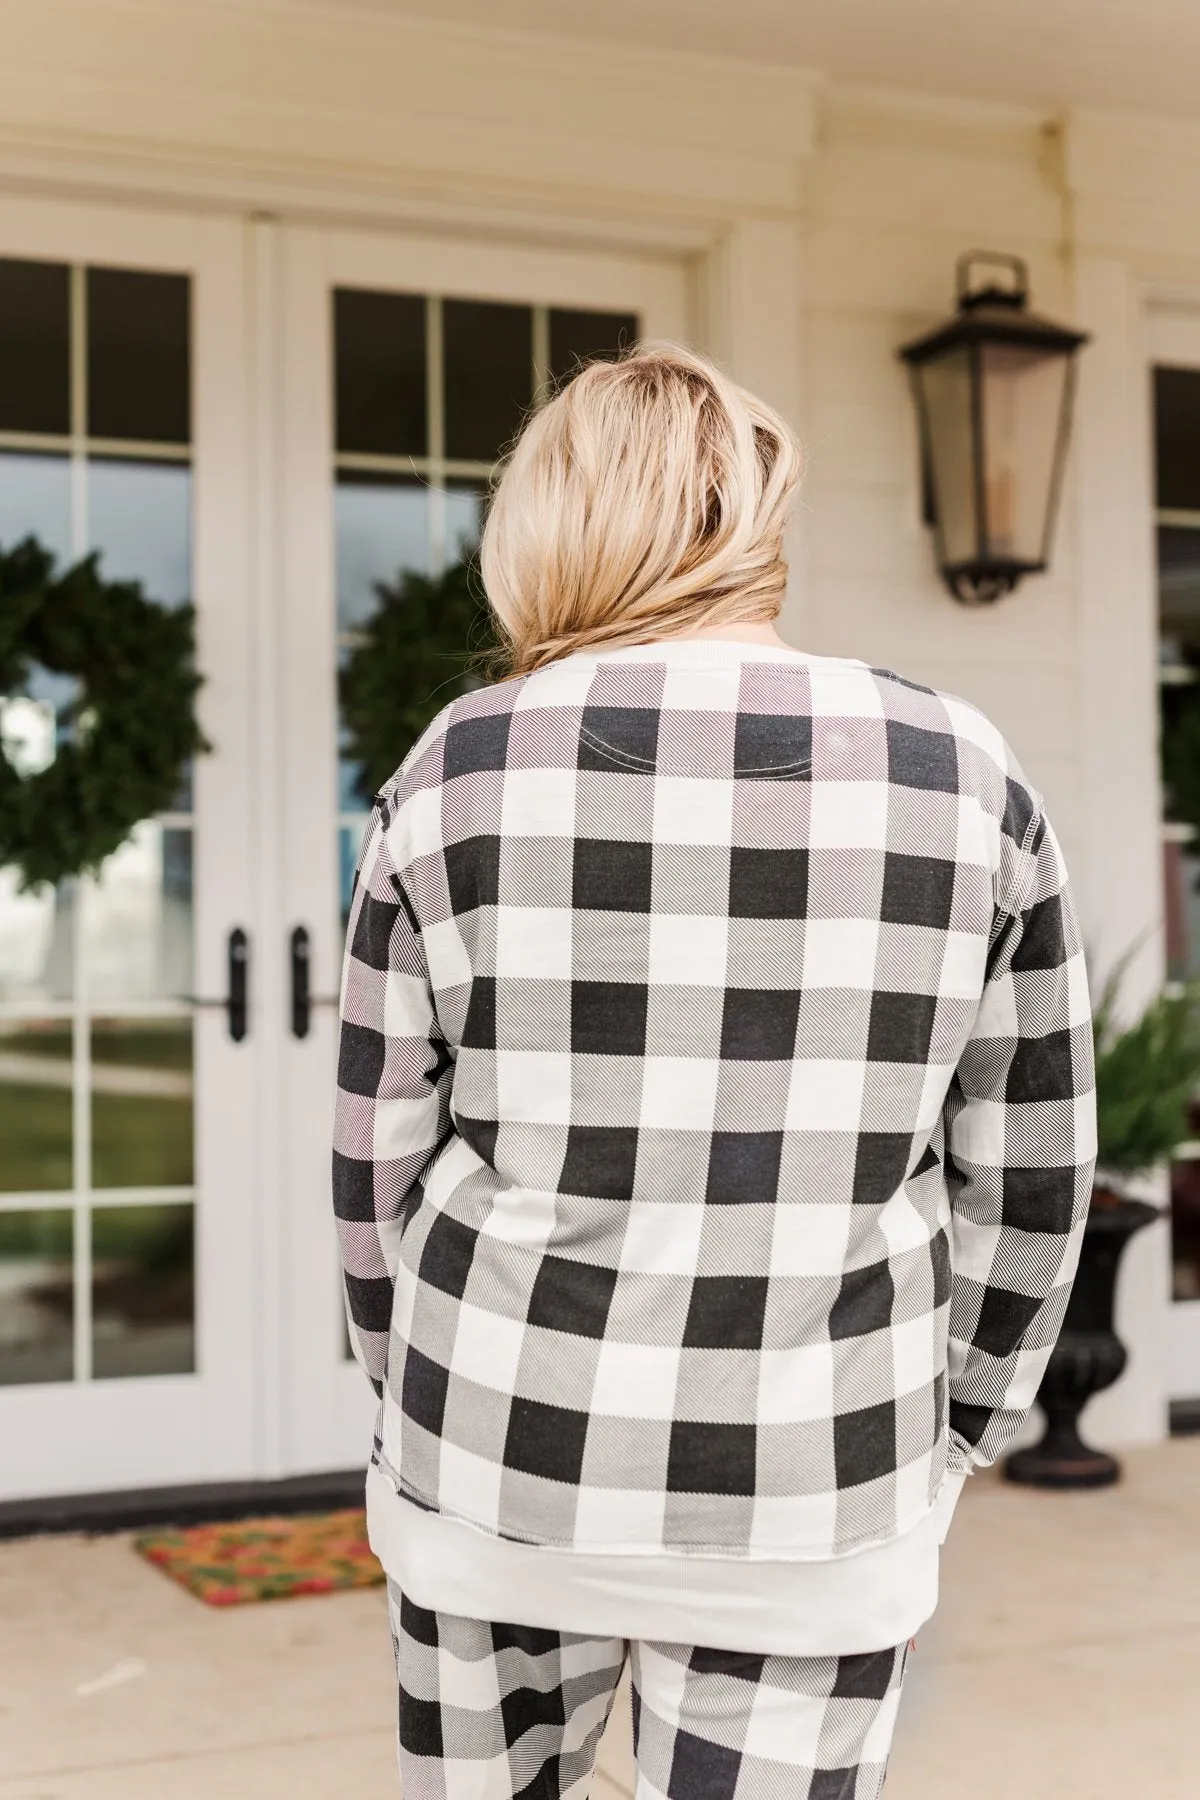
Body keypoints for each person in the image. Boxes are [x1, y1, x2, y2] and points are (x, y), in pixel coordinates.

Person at [333, 344, 1095, 1800]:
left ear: (545, 524)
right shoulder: (963, 772)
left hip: (498, 1445)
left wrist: (412, 1394)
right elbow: (1034, 1175)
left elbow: (375, 1166)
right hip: (817, 1472)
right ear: (757, 516)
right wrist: (956, 1430)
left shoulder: (456, 769)